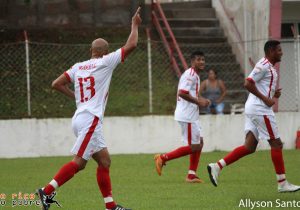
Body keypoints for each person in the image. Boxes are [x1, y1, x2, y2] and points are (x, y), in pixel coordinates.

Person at [36, 7, 142, 210]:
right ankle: (46, 192)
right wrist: (134, 24)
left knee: (104, 161)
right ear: (105, 52)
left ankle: (111, 206)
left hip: (80, 118)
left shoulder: (78, 66)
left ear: (91, 51)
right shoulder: (105, 62)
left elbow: (56, 83)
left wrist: (76, 96)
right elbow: (132, 44)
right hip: (90, 119)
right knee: (78, 162)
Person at [207, 40, 300, 193]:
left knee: (249, 147)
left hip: (254, 108)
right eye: (279, 50)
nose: (281, 52)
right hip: (259, 109)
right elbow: (248, 83)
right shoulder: (263, 65)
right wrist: (266, 99)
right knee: (276, 144)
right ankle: (282, 183)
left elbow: (260, 86)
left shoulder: (270, 67)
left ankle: (217, 166)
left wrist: (272, 94)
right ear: (270, 51)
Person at [154, 51, 210, 183]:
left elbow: (188, 93)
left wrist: (201, 100)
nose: (201, 62)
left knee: (199, 143)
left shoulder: (194, 75)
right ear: (192, 61)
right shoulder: (190, 75)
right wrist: (199, 102)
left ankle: (191, 174)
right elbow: (182, 93)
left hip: (191, 115)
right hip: (187, 116)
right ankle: (162, 158)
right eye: (198, 59)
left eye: (203, 59)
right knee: (194, 146)